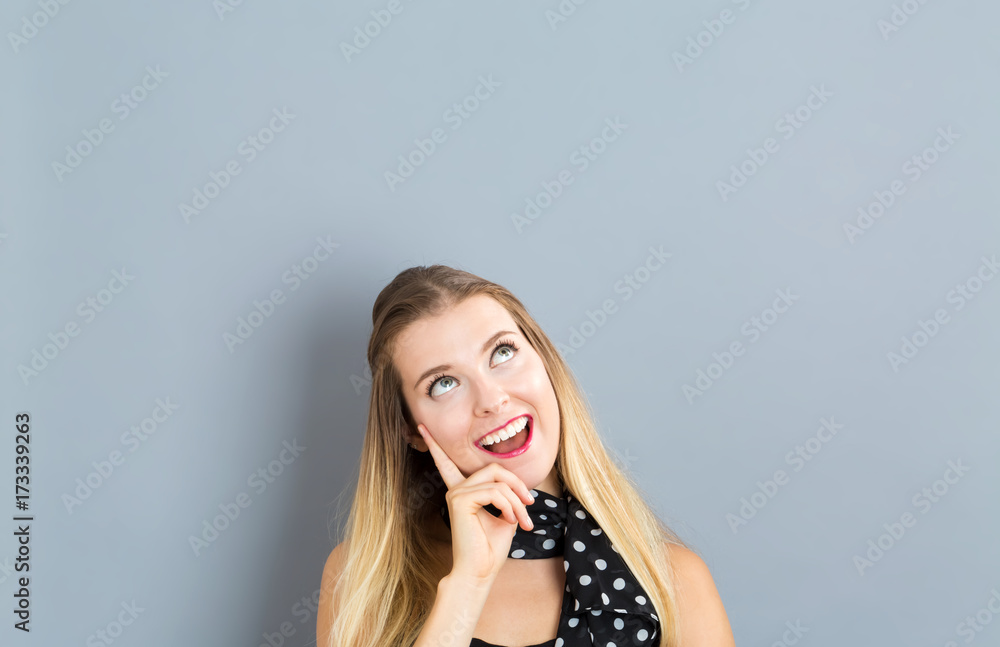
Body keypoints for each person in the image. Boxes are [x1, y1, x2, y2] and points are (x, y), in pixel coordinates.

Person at [317, 265, 735, 647]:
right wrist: (468, 583)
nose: (493, 400)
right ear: (410, 430)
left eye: (502, 353)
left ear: (544, 362)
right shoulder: (365, 580)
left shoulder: (675, 580)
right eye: (444, 383)